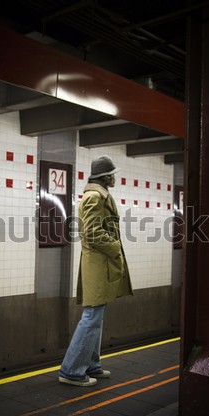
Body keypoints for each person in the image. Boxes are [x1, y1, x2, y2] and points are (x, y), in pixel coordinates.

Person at [59, 155, 133, 386]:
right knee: (91, 317)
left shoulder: (100, 195)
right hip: (99, 264)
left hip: (101, 264)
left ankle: (92, 365)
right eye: (113, 174)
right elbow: (91, 232)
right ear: (106, 176)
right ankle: (71, 371)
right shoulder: (94, 197)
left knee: (96, 317)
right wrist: (114, 248)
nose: (115, 177)